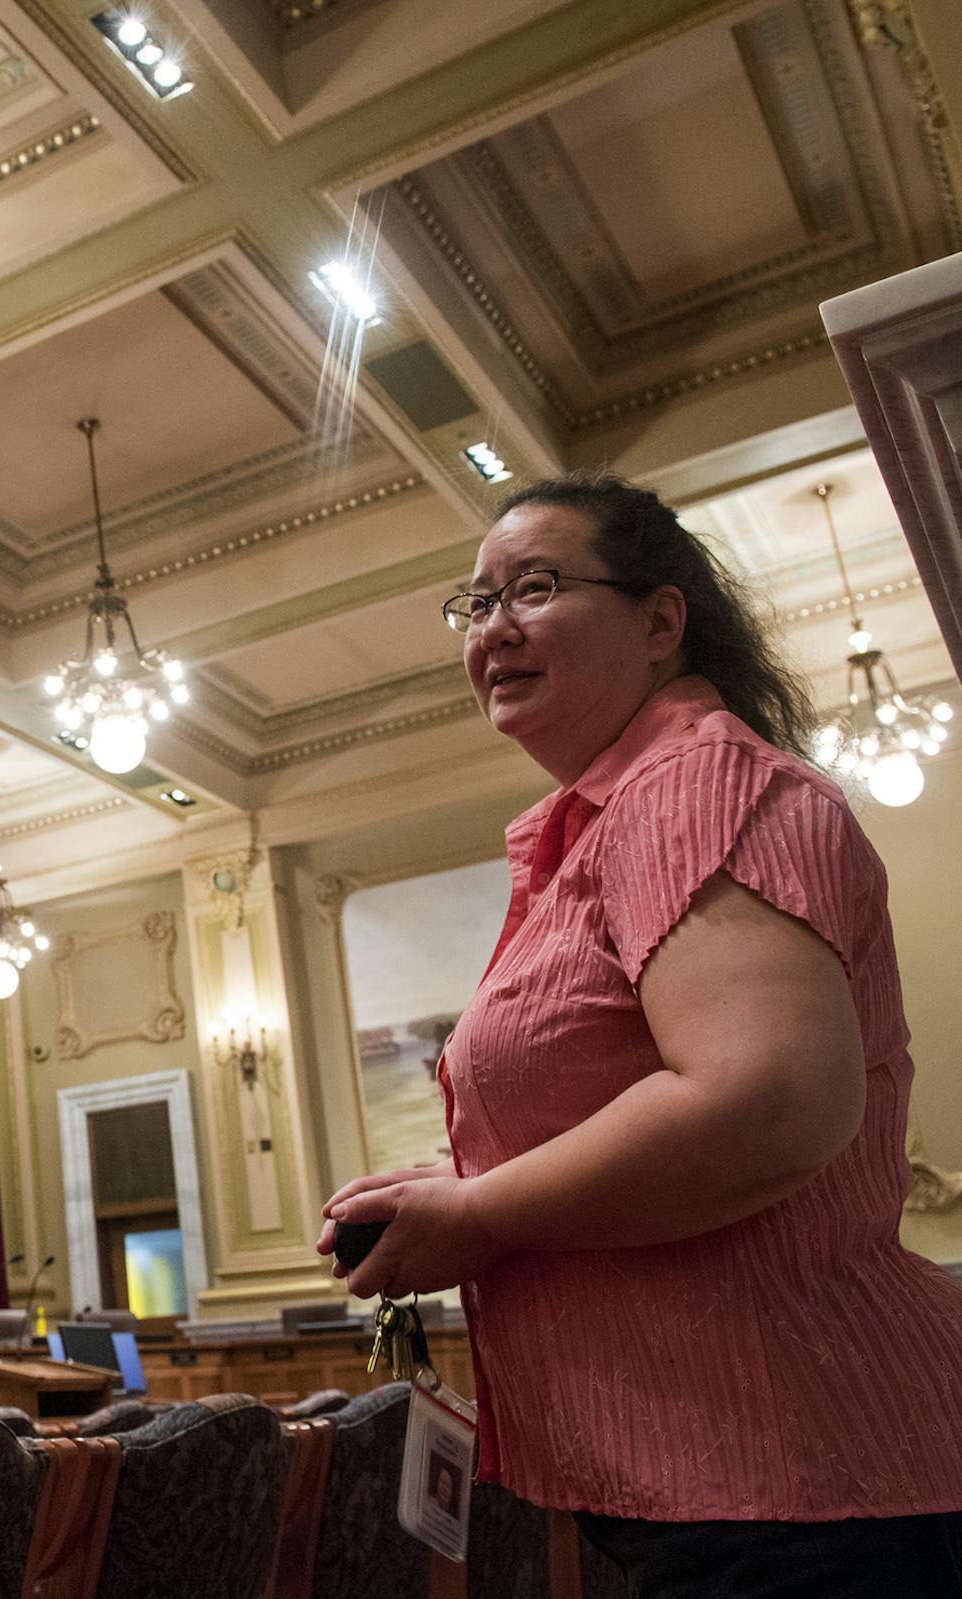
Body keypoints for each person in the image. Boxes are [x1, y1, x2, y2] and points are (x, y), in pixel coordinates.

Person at [315, 473, 962, 1597]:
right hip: (742, 1480)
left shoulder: (694, 779)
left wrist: (473, 1211)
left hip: (795, 1477)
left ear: (663, 620)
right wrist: (463, 1180)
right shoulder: (607, 821)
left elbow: (765, 1099)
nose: (492, 629)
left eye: (535, 587)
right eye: (474, 605)